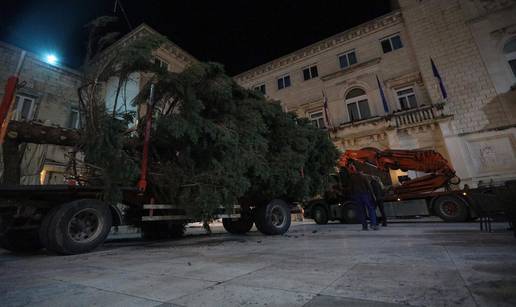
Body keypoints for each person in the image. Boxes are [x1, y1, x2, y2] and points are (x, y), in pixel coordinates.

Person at [347, 164, 379, 231]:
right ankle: (373, 224)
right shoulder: (363, 177)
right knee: (370, 209)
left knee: (361, 211)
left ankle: (364, 226)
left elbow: (350, 189)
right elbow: (369, 186)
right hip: (365, 194)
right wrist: (372, 195)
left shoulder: (351, 178)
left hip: (357, 196)